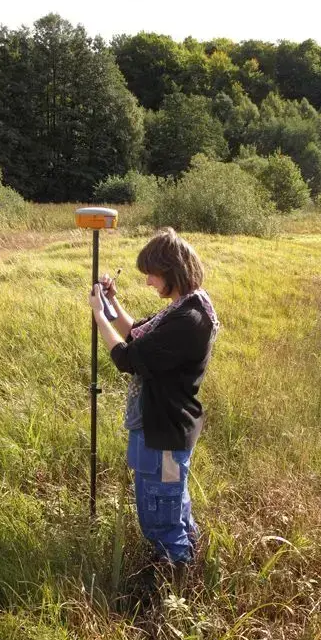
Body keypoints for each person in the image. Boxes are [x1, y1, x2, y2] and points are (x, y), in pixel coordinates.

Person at [88, 227, 219, 564]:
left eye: (152, 274)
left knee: (161, 517)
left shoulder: (187, 320)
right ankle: (189, 561)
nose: (148, 282)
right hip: (163, 431)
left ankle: (174, 585)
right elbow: (136, 335)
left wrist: (99, 316)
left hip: (163, 436)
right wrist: (112, 301)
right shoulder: (183, 308)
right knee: (174, 505)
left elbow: (127, 358)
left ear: (173, 271)